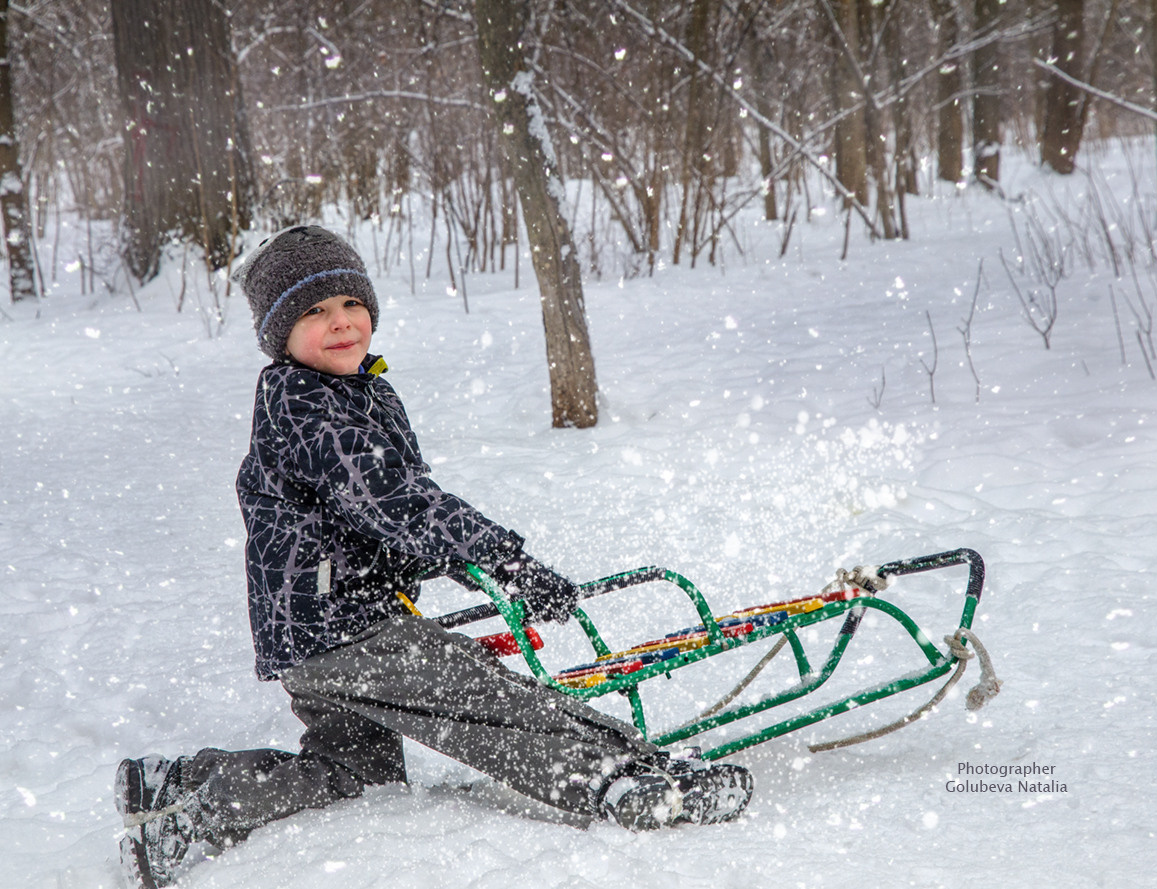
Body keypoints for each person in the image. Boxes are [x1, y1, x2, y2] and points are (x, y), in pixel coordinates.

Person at [114, 226, 753, 889]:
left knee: (353, 774)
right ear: (280, 334)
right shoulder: (308, 410)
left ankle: (180, 796)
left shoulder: (352, 392)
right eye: (313, 311)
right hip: (343, 629)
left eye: (349, 304)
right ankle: (629, 780)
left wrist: (428, 560)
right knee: (484, 700)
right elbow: (401, 502)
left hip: (317, 632)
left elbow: (386, 514)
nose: (339, 323)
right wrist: (505, 561)